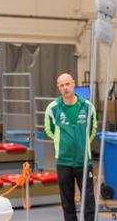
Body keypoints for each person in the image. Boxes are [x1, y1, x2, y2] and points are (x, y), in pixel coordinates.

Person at [44, 73, 97, 221]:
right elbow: (49, 130)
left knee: (88, 202)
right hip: (63, 162)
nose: (65, 88)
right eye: (62, 85)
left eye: (67, 84)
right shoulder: (53, 108)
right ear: (58, 88)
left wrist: (81, 142)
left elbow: (92, 129)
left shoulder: (88, 107)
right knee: (67, 202)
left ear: (73, 84)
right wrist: (63, 142)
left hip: (84, 161)